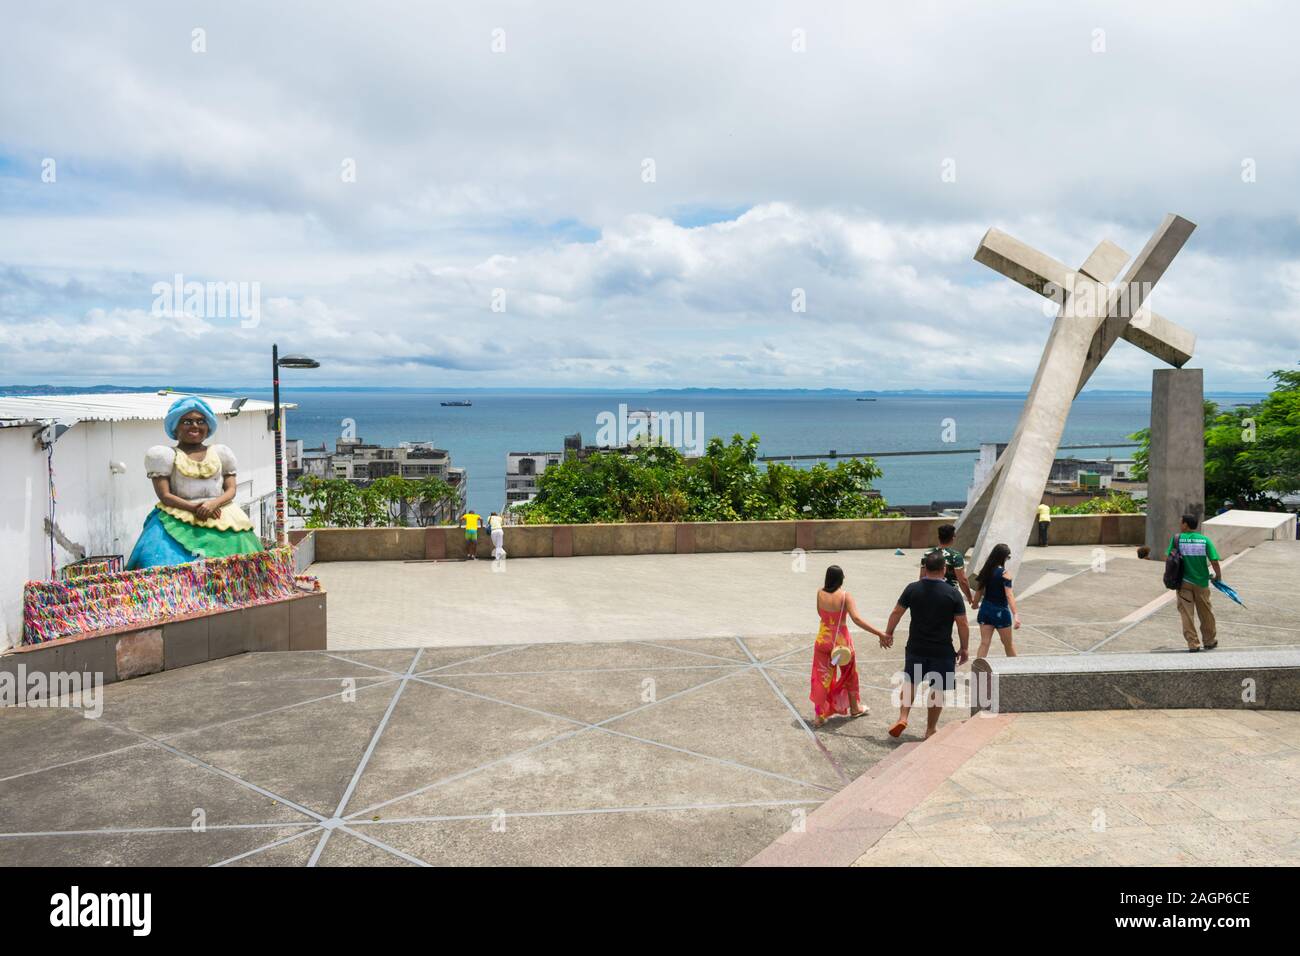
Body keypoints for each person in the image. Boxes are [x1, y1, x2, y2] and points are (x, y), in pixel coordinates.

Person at [126, 396, 264, 569]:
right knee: (158, 563)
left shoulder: (221, 453)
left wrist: (213, 504)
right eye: (187, 421)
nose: (195, 426)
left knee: (244, 566)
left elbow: (231, 490)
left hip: (222, 514)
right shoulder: (164, 456)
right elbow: (165, 495)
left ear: (208, 427)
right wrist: (195, 508)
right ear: (175, 427)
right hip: (177, 513)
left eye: (200, 421)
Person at [883, 550, 970, 739]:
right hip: (942, 649)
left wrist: (888, 633)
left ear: (925, 568)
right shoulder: (953, 593)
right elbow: (962, 623)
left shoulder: (912, 588)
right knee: (937, 687)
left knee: (911, 682)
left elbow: (897, 612)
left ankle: (903, 717)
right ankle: (930, 729)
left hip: (916, 646)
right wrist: (964, 647)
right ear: (944, 569)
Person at [810, 565, 886, 728]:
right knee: (850, 674)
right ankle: (854, 707)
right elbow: (857, 619)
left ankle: (818, 716)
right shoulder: (845, 596)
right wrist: (879, 633)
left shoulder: (819, 593)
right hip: (841, 643)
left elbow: (820, 613)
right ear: (840, 579)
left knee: (821, 677)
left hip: (823, 639)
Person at [1167, 514, 1221, 651]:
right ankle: (1209, 641)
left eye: (1181, 522)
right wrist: (1218, 576)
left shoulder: (1176, 540)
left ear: (1185, 524)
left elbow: (1169, 557)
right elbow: (1214, 560)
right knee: (1206, 613)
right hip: (1201, 582)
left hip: (1183, 582)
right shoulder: (1205, 540)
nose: (1180, 525)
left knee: (1187, 614)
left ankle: (1193, 643)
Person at [970, 543, 1021, 658]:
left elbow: (979, 590)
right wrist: (1015, 614)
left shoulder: (986, 571)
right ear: (1003, 557)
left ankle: (978, 672)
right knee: (1008, 645)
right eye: (1008, 557)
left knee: (984, 643)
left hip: (985, 611)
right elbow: (1009, 595)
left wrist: (974, 604)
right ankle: (1016, 670)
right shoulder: (1005, 574)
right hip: (1001, 613)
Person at [919, 523, 974, 605]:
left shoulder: (928, 554)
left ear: (938, 538)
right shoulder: (956, 556)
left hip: (930, 594)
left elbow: (922, 577)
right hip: (949, 596)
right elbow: (962, 580)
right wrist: (969, 596)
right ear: (952, 538)